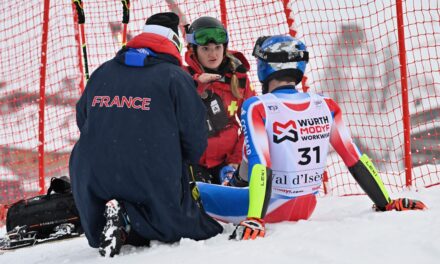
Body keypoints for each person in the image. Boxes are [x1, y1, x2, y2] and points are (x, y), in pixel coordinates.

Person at [196, 35, 427, 240]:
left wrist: (255, 217)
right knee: (245, 164)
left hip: (270, 206)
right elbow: (355, 159)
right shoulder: (326, 105)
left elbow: (261, 164)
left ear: (265, 66)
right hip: (307, 205)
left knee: (188, 188)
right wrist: (386, 202)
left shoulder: (258, 106)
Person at [69, 12, 222, 257]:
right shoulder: (175, 77)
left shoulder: (103, 71)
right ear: (174, 43)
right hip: (148, 167)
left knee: (138, 191)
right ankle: (130, 218)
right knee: (187, 226)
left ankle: (122, 216)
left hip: (91, 175)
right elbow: (195, 139)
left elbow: (82, 118)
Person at [184, 16, 256, 184]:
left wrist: (237, 159)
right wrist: (198, 84)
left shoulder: (239, 79)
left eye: (217, 47)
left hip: (229, 162)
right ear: (194, 50)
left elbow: (253, 123)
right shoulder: (183, 78)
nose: (213, 54)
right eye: (205, 49)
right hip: (193, 164)